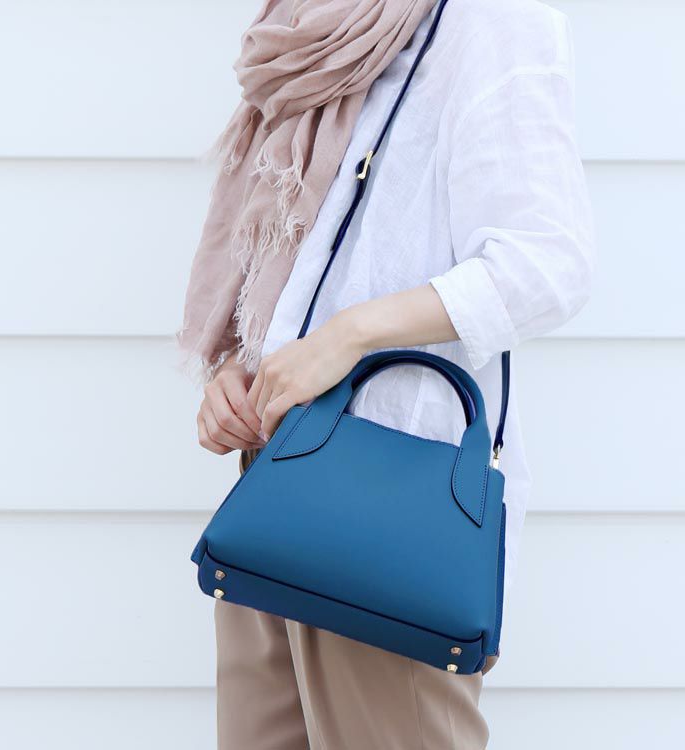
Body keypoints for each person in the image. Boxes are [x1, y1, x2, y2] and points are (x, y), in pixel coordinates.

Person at [179, 0, 594, 747]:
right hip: (273, 490)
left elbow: (547, 261)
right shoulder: (309, 25)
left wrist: (348, 337)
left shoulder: (490, 20)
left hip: (393, 514)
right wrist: (242, 369)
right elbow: (309, 256)